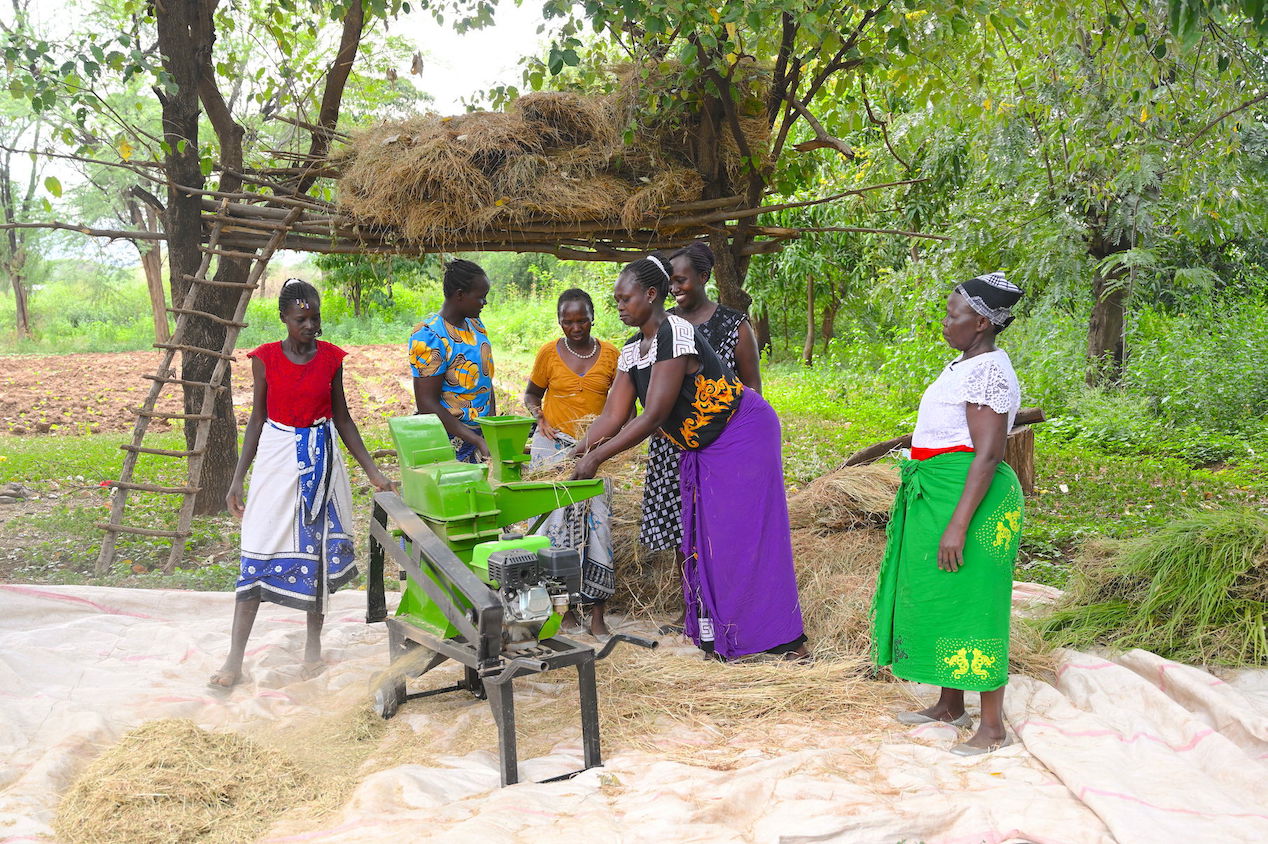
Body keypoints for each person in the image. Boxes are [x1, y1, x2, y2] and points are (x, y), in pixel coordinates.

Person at [570, 255, 807, 661]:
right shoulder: (632, 350)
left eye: (625, 299)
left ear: (650, 294)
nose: (620, 307)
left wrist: (598, 459)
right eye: (616, 301)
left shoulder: (675, 333)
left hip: (742, 435)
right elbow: (613, 415)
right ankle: (724, 636)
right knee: (706, 540)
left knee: (742, 539)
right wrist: (574, 453)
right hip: (703, 446)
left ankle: (782, 639)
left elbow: (655, 413)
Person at [871, 271, 1024, 755]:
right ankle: (949, 705)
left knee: (974, 605)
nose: (945, 321)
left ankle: (993, 726)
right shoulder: (963, 364)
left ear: (980, 322)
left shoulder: (990, 372)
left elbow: (988, 454)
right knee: (942, 594)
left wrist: (958, 524)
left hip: (971, 501)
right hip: (938, 494)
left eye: (952, 314)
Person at [211, 279, 393, 689]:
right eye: (301, 319)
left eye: (315, 318)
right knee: (256, 552)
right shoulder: (265, 358)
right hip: (277, 458)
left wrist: (372, 472)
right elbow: (256, 419)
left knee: (318, 554)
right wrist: (237, 480)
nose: (310, 326)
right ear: (284, 319)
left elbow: (343, 418)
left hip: (322, 461)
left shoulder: (331, 359)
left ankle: (313, 649)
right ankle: (233, 661)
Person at [642, 242, 762, 630]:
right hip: (670, 443)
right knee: (682, 526)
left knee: (718, 527)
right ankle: (691, 609)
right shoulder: (661, 325)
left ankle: (723, 608)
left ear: (704, 278)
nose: (674, 288)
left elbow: (752, 390)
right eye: (669, 281)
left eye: (681, 280)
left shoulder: (733, 325)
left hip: (720, 447)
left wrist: (743, 450)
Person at [523, 288, 620, 636]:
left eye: (581, 320)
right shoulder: (548, 353)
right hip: (552, 450)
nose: (575, 327)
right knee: (555, 527)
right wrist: (539, 417)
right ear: (559, 321)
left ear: (592, 317)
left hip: (595, 450)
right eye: (567, 321)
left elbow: (623, 402)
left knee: (599, 525)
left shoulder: (611, 355)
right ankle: (562, 610)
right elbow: (532, 393)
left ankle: (597, 613)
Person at [410, 259, 496, 462]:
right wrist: (475, 441)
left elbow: (484, 380)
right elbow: (427, 403)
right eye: (480, 297)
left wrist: (491, 429)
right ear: (460, 295)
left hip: (482, 435)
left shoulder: (475, 325)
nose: (484, 303)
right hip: (450, 439)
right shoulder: (429, 335)